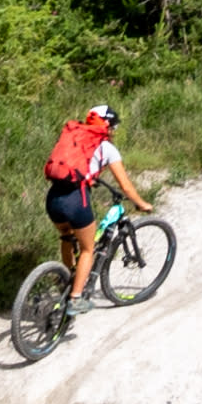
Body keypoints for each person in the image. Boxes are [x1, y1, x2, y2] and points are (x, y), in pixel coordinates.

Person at [44, 101, 147, 306]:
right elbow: (126, 186)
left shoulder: (73, 137)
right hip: (76, 200)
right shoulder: (107, 148)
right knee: (87, 249)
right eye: (113, 127)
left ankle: (67, 280)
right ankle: (76, 299)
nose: (113, 131)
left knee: (66, 237)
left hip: (54, 198)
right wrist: (142, 204)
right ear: (107, 125)